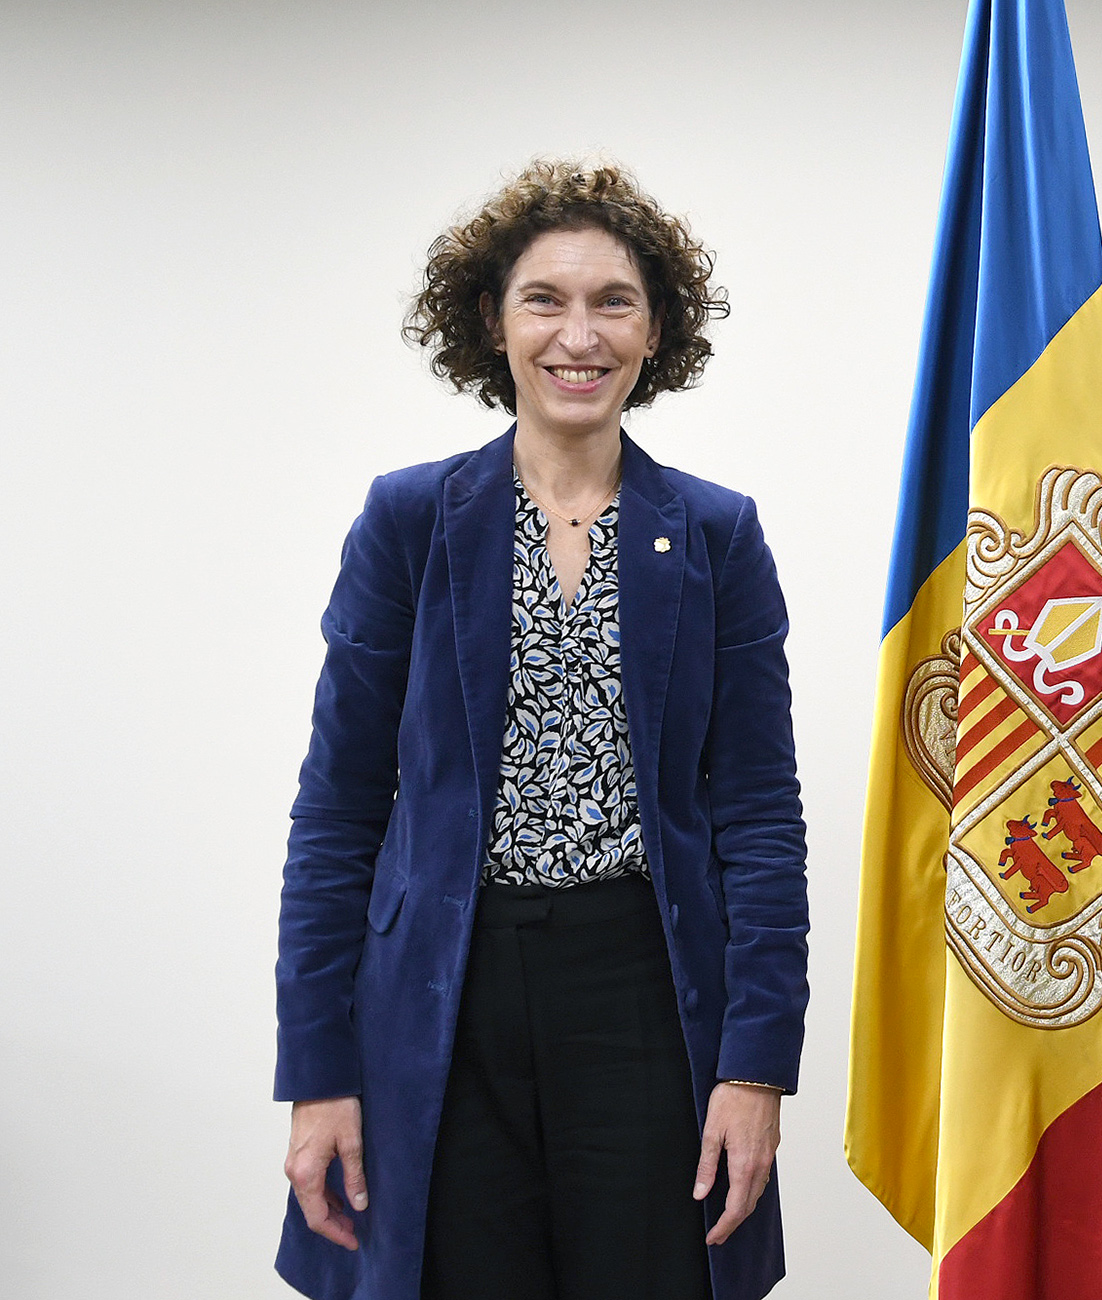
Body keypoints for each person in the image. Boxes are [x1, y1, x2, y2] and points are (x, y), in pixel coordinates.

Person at [274, 160, 809, 1300]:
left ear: (657, 330)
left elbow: (760, 818)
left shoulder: (716, 536)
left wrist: (755, 1066)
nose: (581, 333)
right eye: (544, 299)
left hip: (644, 997)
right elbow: (338, 810)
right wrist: (317, 1069)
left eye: (614, 300)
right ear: (491, 320)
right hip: (443, 999)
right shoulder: (409, 521)